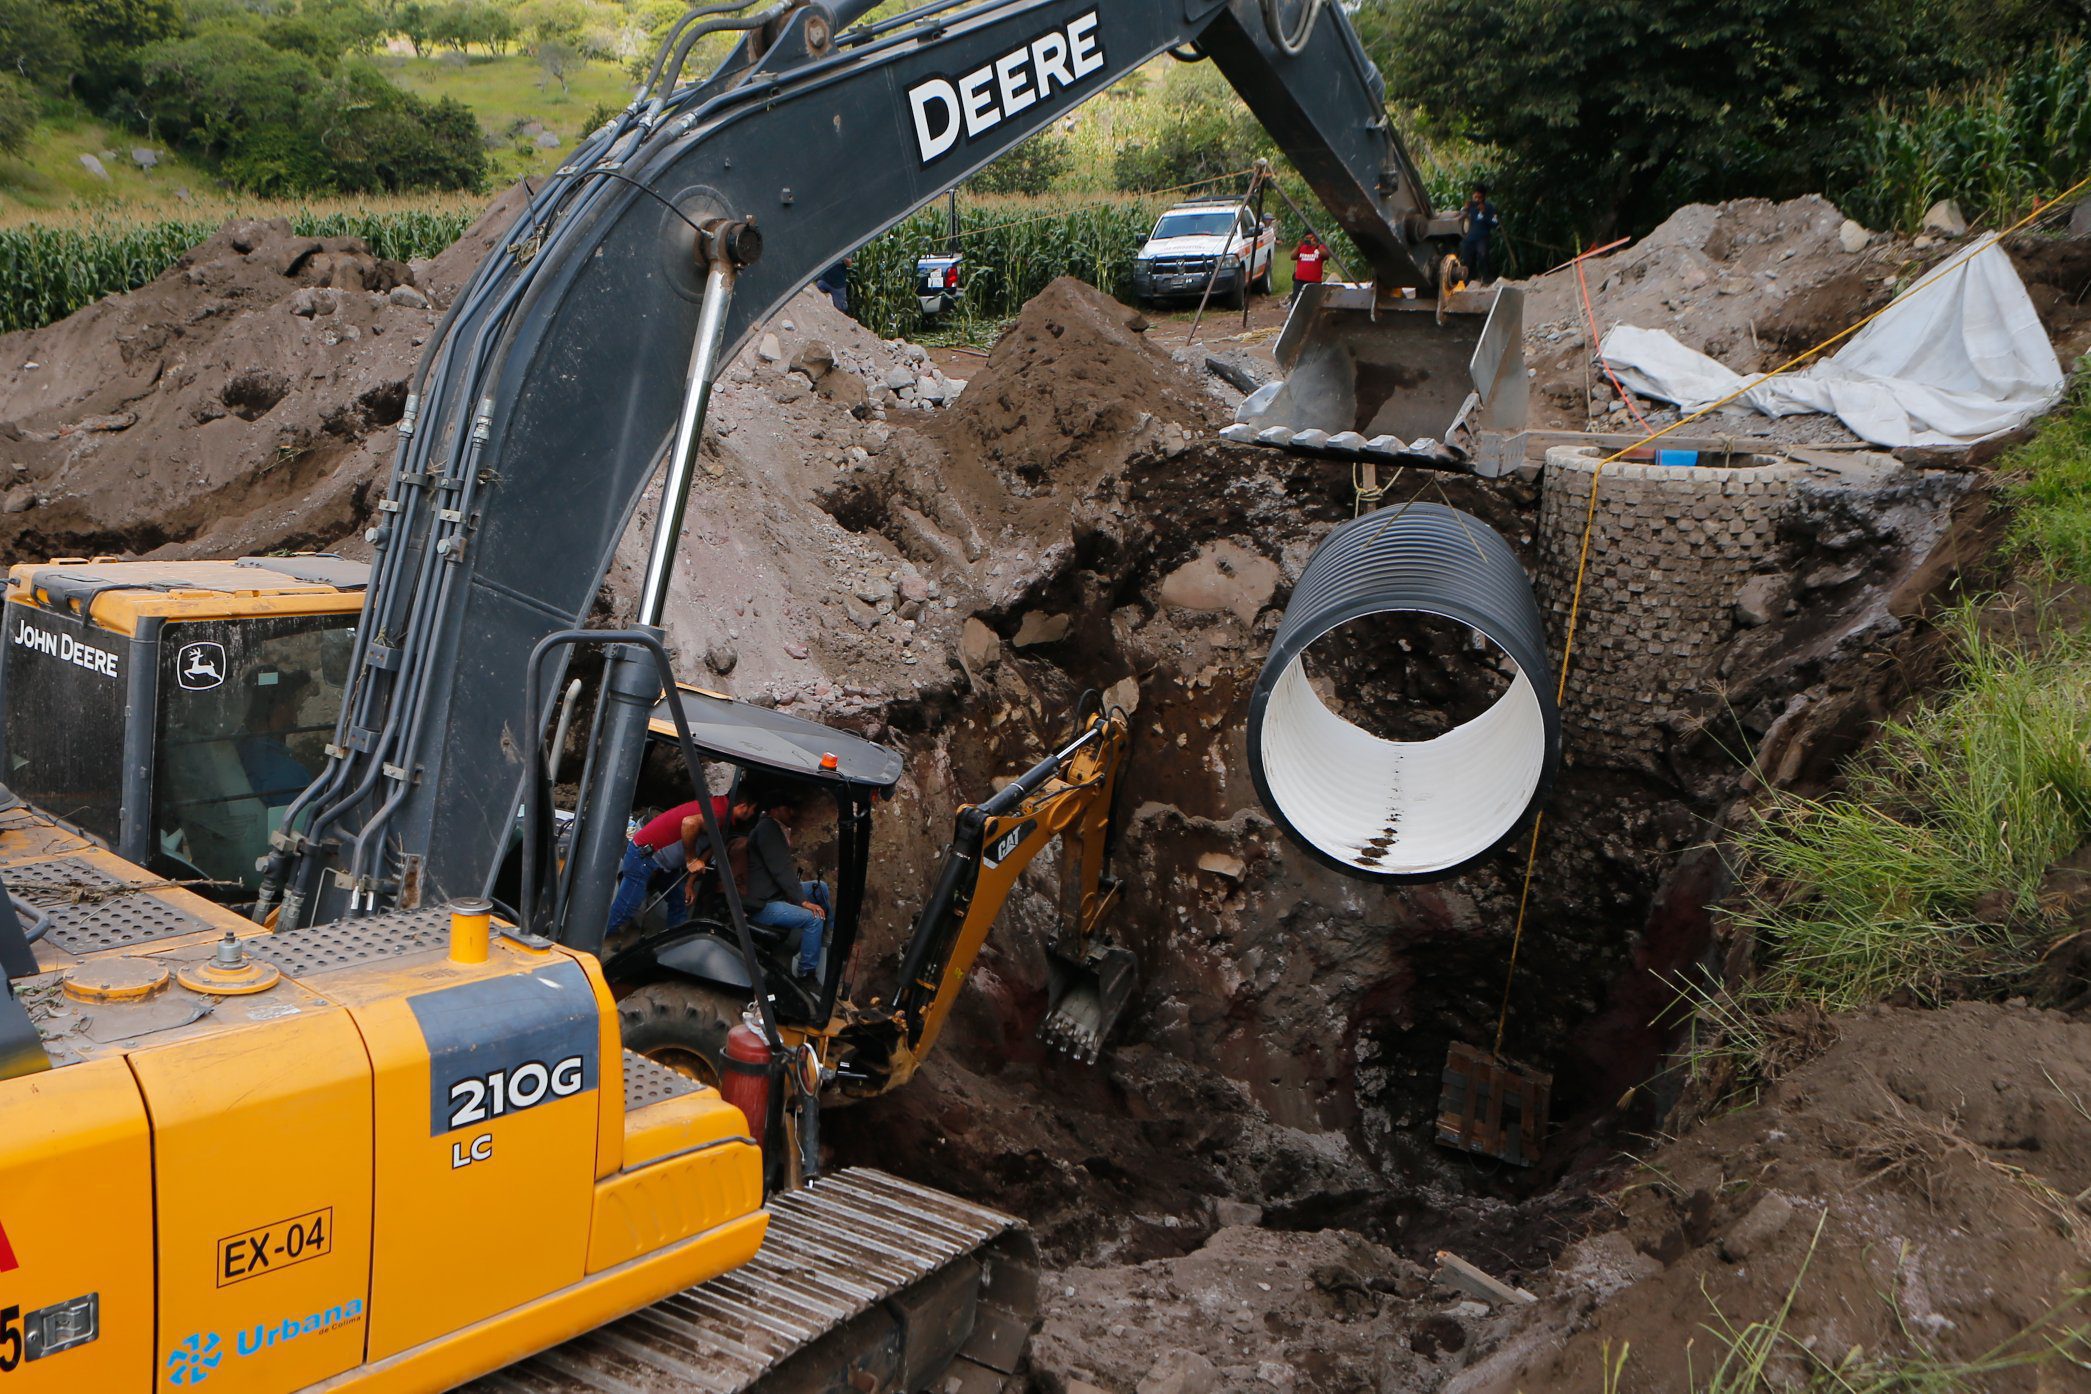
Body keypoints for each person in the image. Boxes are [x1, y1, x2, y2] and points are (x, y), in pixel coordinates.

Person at [607, 787, 759, 936]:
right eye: (753, 809)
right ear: (743, 806)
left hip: (665, 864)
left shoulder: (724, 817)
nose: (753, 814)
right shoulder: (718, 812)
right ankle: (591, 940)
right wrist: (691, 859)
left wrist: (690, 882)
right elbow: (689, 823)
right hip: (646, 855)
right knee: (626, 910)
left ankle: (674, 943)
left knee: (679, 903)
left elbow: (709, 848)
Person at [745, 795, 831, 978]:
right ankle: (806, 974)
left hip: (775, 891)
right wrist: (803, 902)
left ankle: (823, 942)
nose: (793, 812)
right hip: (762, 904)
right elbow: (781, 871)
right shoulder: (767, 830)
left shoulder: (775, 828)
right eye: (787, 808)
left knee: (820, 888)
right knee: (813, 918)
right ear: (774, 810)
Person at [1459, 183, 1500, 285]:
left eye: (1479, 197)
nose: (1477, 199)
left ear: (1484, 197)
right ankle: (1468, 282)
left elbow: (1495, 223)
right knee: (1467, 260)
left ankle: (1486, 279)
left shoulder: (1490, 208)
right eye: (1475, 197)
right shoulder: (1469, 207)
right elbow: (1459, 220)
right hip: (1468, 239)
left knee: (1483, 257)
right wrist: (1464, 209)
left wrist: (1484, 213)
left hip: (1482, 238)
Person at [1289, 230, 1325, 303]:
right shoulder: (1301, 247)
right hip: (1299, 281)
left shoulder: (1320, 247)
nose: (1308, 240)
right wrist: (1298, 246)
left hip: (1314, 282)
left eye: (1311, 238)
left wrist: (1316, 246)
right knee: (1296, 302)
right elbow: (1292, 257)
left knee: (1313, 303)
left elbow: (1326, 255)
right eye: (1307, 238)